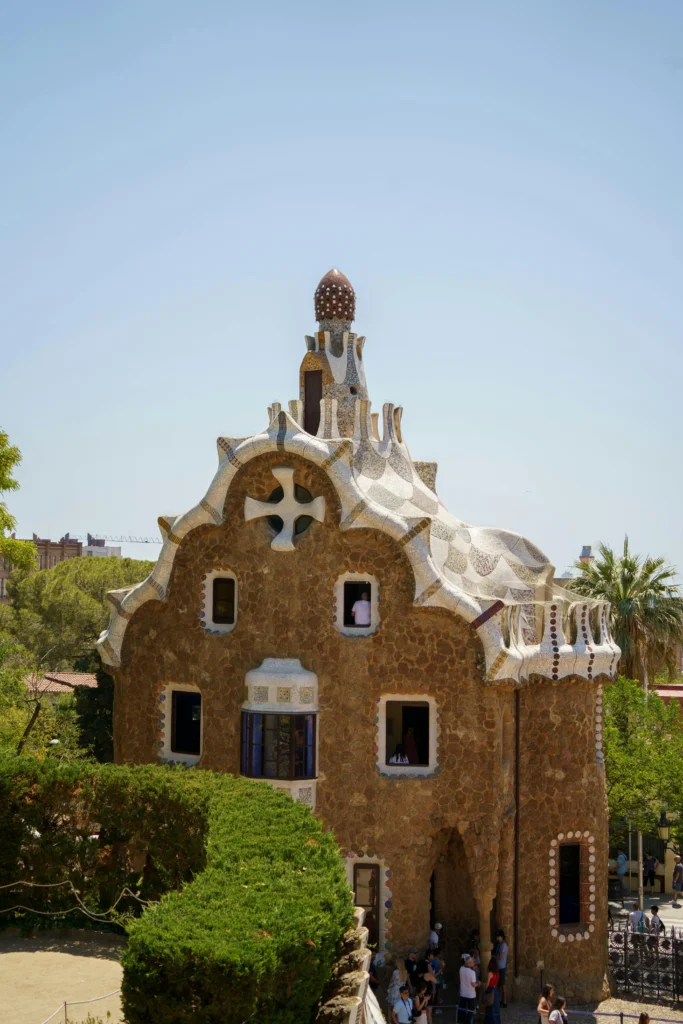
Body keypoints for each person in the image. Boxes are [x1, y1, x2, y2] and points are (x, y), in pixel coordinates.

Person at [458, 953, 479, 1024]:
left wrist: (471, 967)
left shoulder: (461, 969)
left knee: (462, 1009)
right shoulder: (472, 972)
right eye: (472, 962)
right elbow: (473, 984)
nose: (474, 963)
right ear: (469, 963)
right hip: (471, 995)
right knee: (471, 1010)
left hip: (463, 993)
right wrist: (478, 983)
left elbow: (465, 968)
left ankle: (461, 1021)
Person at [483, 956, 501, 1024]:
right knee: (496, 1008)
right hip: (496, 990)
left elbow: (487, 984)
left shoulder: (490, 973)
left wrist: (484, 990)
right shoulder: (497, 973)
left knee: (490, 1008)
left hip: (490, 990)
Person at [494, 929, 509, 1008]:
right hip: (498, 967)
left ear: (502, 937)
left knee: (503, 985)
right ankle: (500, 1001)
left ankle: (505, 1002)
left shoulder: (503, 945)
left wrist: (494, 957)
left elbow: (500, 956)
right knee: (499, 985)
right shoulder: (499, 944)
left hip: (501, 967)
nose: (497, 937)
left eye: (498, 936)